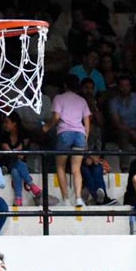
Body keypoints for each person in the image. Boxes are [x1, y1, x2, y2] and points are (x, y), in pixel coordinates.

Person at [48, 74, 91, 207]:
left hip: (65, 133)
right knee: (76, 169)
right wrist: (85, 137)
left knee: (60, 167)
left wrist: (47, 126)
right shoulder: (82, 100)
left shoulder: (59, 98)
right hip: (80, 134)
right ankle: (78, 198)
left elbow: (56, 116)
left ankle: (66, 199)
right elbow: (87, 120)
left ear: (65, 85)